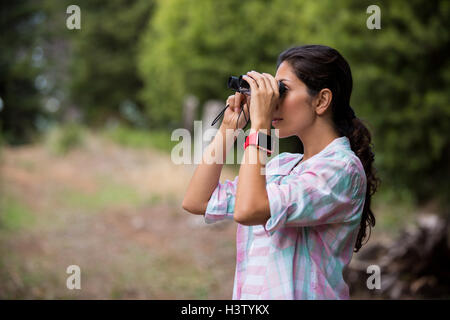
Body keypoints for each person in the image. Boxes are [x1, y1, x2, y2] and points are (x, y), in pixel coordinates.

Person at [182, 44, 380, 299]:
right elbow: (197, 201)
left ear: (321, 100)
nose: (273, 102)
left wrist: (261, 124)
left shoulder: (342, 169)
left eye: (281, 90)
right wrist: (228, 129)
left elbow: (249, 210)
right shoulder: (281, 165)